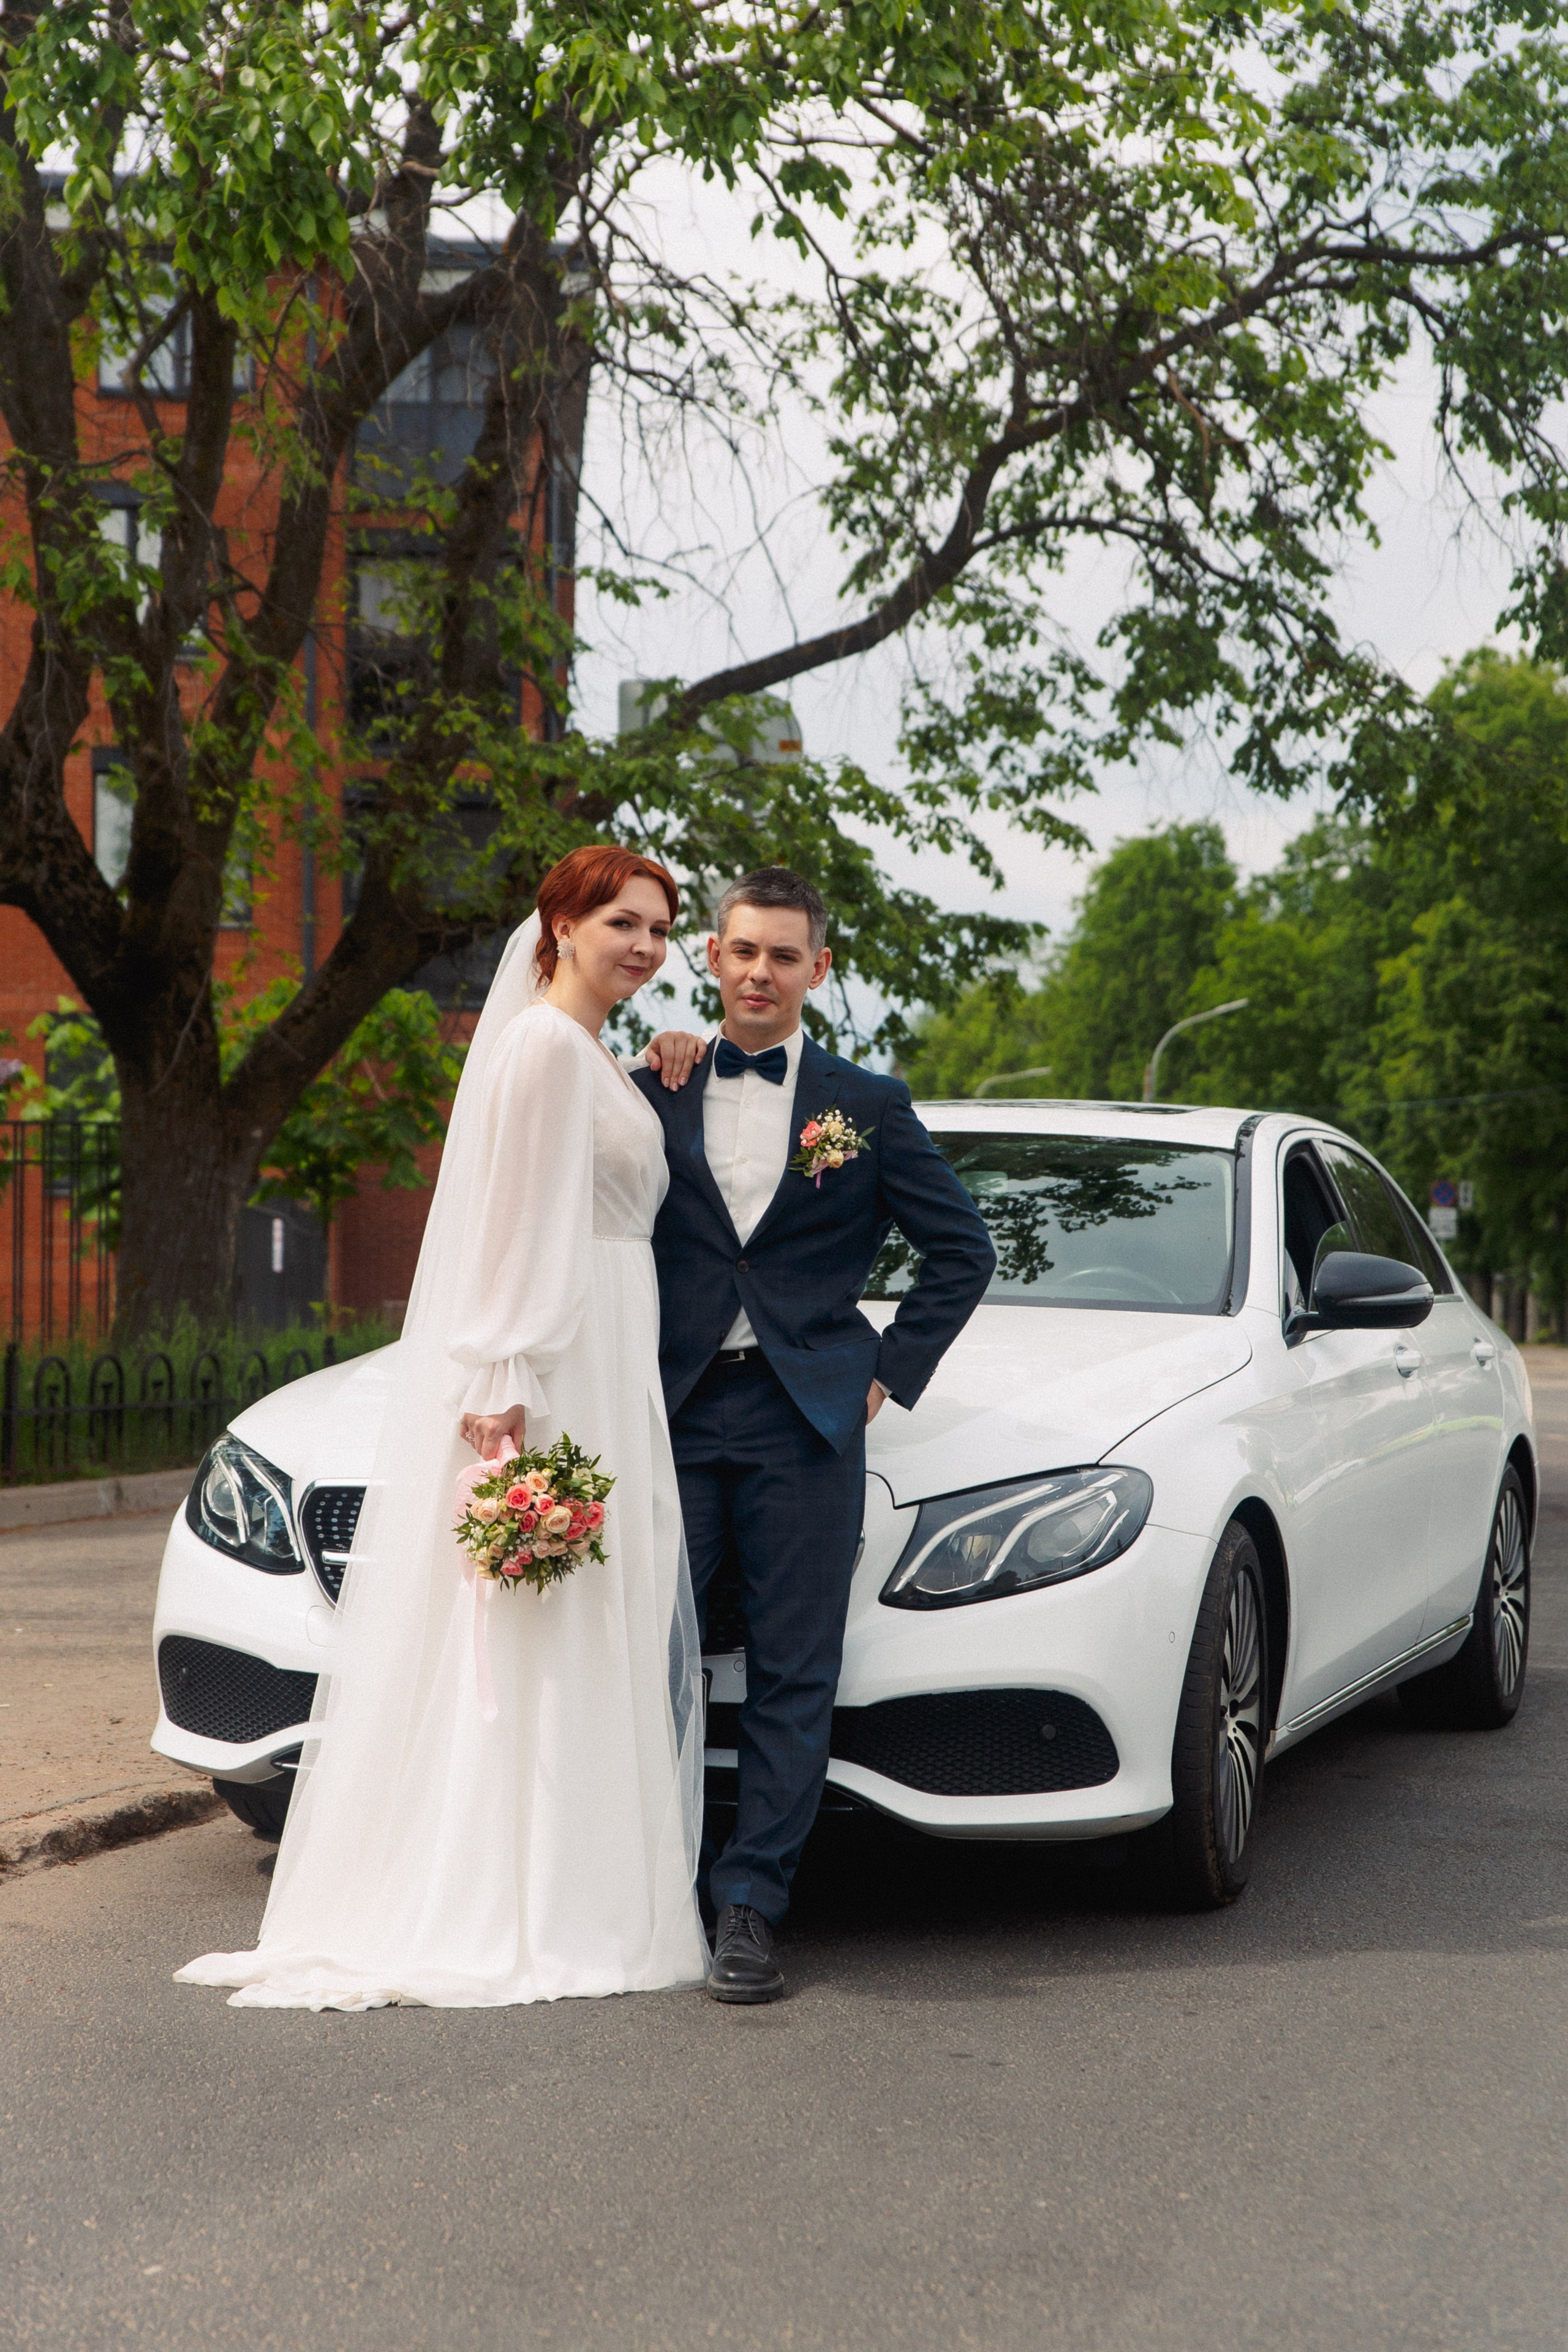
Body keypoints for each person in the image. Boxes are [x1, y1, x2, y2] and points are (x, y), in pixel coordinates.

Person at [176, 847, 709, 2009]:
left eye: (662, 929)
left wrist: (671, 1057)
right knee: (534, 1625)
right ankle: (510, 1896)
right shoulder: (539, 1054)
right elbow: (512, 1232)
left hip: (606, 1348)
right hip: (561, 1358)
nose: (645, 945)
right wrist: (507, 1384)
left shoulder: (582, 1055)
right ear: (559, 926)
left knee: (569, 1622)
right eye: (623, 921)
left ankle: (566, 1877)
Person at [632, 867, 996, 2002]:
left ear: (818, 970)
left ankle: (750, 1909)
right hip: (670, 1410)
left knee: (795, 1668)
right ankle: (649, 1893)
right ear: (711, 953)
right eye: (743, 951)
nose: (760, 972)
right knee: (647, 1657)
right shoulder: (655, 1088)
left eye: (784, 956)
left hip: (806, 1422)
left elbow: (963, 1251)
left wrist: (888, 1370)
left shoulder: (867, 1105)